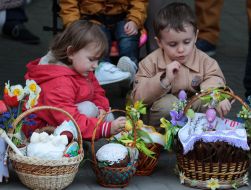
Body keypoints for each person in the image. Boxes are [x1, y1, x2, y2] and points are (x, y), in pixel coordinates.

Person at [131, 2, 232, 127]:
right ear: (160, 42)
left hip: (192, 112)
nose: (181, 49)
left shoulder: (205, 61)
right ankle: (163, 140)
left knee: (211, 102)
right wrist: (164, 80)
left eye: (186, 42)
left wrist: (216, 97)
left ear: (195, 37)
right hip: (161, 122)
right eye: (173, 44)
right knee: (169, 104)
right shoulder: (150, 62)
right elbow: (138, 97)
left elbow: (215, 78)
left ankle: (201, 134)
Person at [24, 20, 126, 140]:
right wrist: (105, 129)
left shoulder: (83, 68)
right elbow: (70, 119)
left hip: (66, 118)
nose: (96, 65)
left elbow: (97, 91)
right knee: (89, 109)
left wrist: (101, 108)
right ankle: (80, 146)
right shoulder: (59, 83)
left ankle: (117, 145)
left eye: (98, 60)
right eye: (92, 59)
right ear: (71, 52)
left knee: (106, 115)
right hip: (43, 132)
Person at [59, 0, 148, 85]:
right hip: (92, 17)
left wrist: (135, 20)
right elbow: (68, 6)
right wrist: (75, 27)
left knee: (128, 37)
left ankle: (130, 68)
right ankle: (103, 68)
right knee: (96, 39)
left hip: (124, 17)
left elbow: (139, 2)